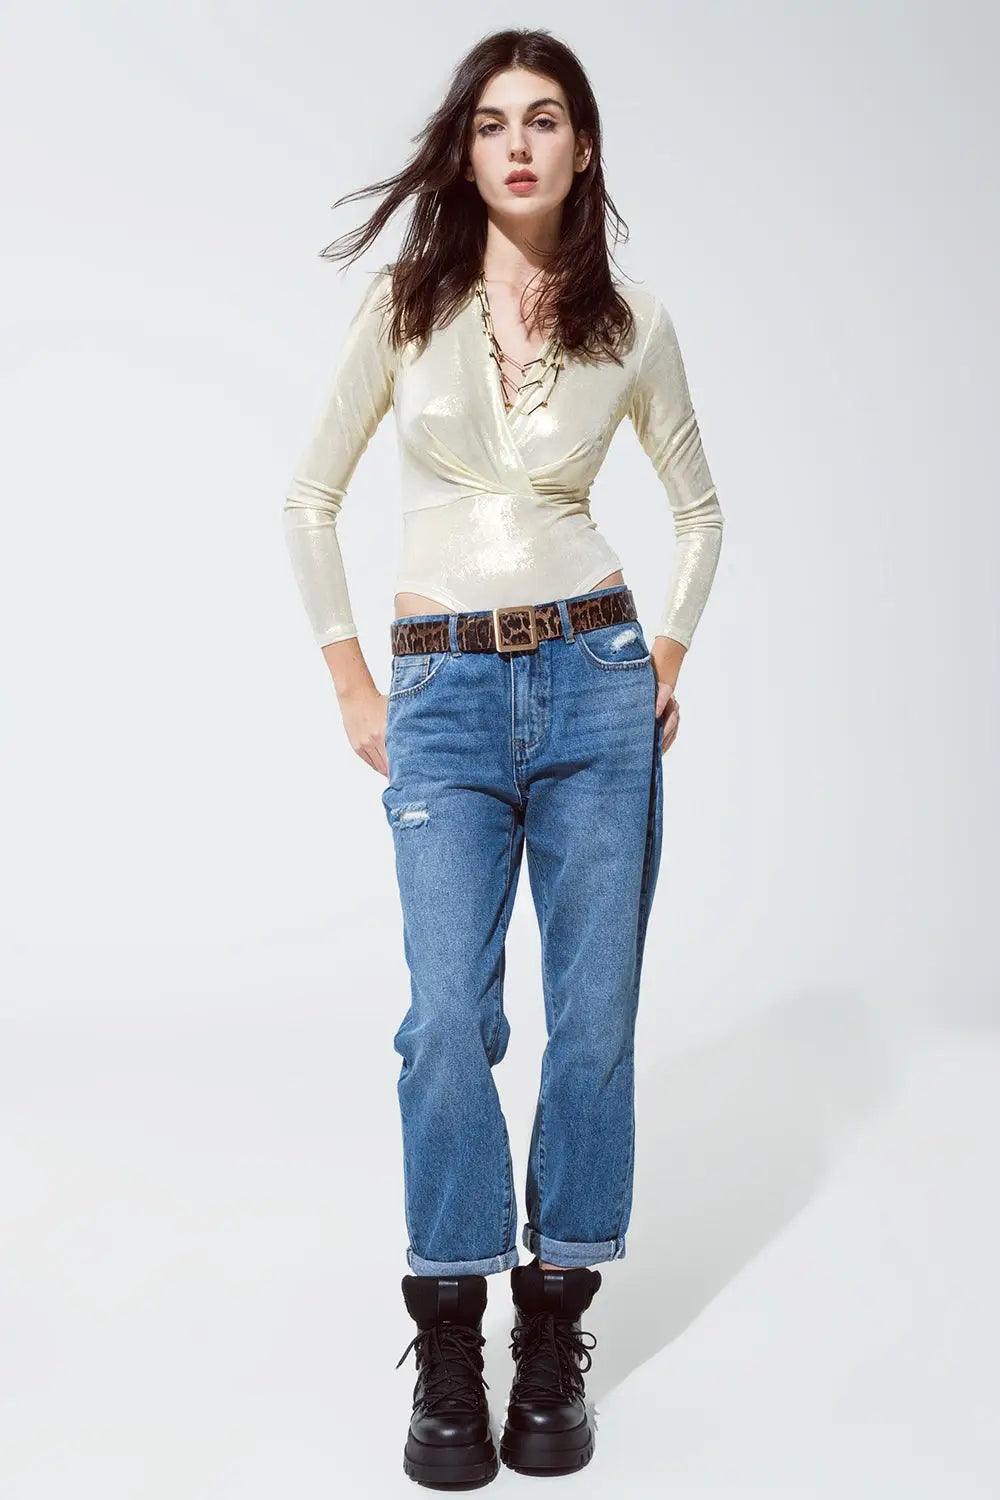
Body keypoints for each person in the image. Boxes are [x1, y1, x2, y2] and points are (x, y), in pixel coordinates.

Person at [282, 27, 724, 1488]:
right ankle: (448, 1328)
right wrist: (353, 679)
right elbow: (308, 498)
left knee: (592, 1022)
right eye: (491, 123)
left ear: (582, 149)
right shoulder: (406, 307)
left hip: (595, 683)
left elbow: (701, 513)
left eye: (544, 120)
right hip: (444, 692)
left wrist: (661, 661)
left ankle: (553, 1325)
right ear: (464, 150)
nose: (518, 145)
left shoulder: (631, 322)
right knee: (445, 1022)